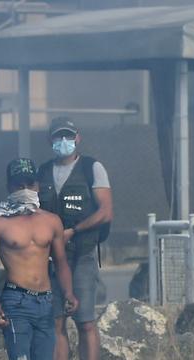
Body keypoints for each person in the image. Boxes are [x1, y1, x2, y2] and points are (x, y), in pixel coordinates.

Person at [0, 158, 78, 360]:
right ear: (9, 187)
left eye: (29, 183)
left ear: (37, 185)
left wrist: (69, 293)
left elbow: (60, 262)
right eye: (19, 184)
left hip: (46, 301)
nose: (25, 188)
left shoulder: (51, 221)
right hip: (16, 301)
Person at [37, 117, 113, 360]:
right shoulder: (43, 171)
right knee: (55, 321)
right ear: (50, 140)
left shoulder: (92, 168)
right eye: (58, 136)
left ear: (78, 138)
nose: (64, 141)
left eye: (68, 136)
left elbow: (105, 211)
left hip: (82, 254)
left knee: (86, 321)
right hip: (51, 259)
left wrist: (74, 231)